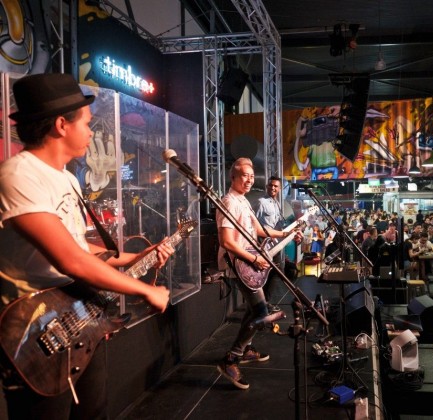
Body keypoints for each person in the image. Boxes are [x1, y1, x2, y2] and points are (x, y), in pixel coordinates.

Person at [0, 73, 174, 419]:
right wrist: (145, 290)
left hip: (76, 317)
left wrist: (136, 257)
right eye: (87, 123)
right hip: (37, 331)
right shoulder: (19, 175)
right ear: (61, 124)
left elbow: (78, 247)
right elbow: (72, 261)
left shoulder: (67, 178)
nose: (92, 132)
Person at [216, 157, 300, 390]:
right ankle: (230, 359)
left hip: (248, 263)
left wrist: (286, 234)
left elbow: (259, 229)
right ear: (233, 177)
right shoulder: (229, 202)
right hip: (239, 264)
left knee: (255, 310)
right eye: (245, 176)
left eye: (252, 177)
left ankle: (244, 350)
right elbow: (226, 242)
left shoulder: (242, 200)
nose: (249, 180)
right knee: (261, 312)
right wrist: (254, 259)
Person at [254, 176, 285, 313]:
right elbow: (254, 223)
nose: (273, 188)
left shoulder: (277, 204)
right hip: (264, 243)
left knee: (276, 271)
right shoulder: (261, 202)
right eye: (271, 185)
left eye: (275, 186)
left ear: (279, 188)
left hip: (275, 244)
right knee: (265, 274)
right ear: (267, 186)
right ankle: (261, 304)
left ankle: (266, 302)